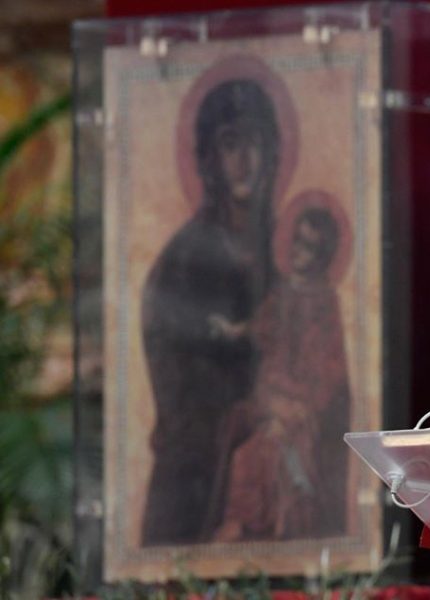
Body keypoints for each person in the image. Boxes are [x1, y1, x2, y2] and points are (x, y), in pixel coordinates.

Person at [140, 76, 281, 545]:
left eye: (256, 143)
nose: (247, 161)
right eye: (231, 144)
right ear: (210, 160)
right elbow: (178, 381)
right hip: (195, 482)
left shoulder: (287, 248)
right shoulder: (186, 258)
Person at [207, 196, 351, 542]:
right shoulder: (283, 292)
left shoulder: (324, 301)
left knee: (258, 453)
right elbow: (261, 326)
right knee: (239, 438)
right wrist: (232, 330)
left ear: (324, 255)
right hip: (270, 395)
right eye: (299, 242)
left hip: (300, 405)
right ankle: (240, 524)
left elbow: (329, 368)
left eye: (312, 248)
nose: (302, 253)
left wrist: (299, 401)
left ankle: (259, 525)